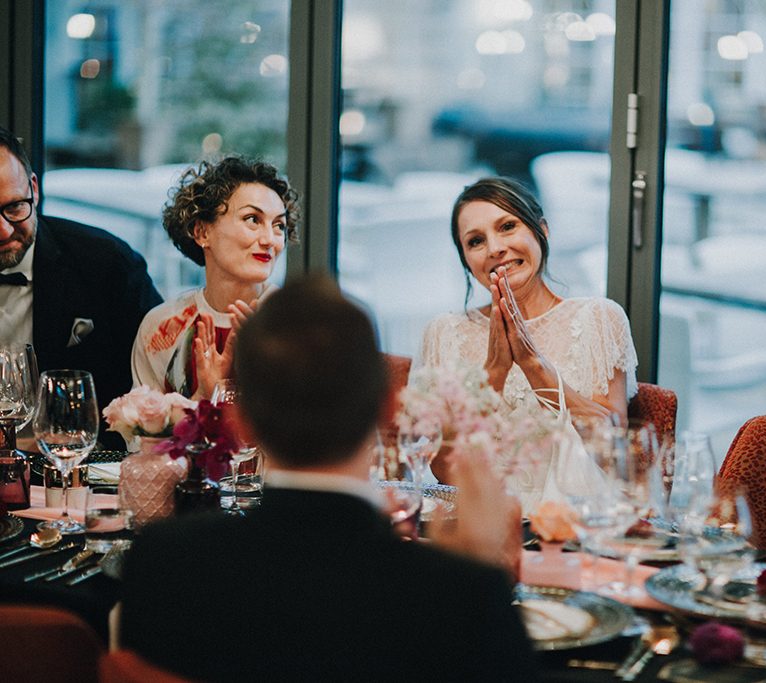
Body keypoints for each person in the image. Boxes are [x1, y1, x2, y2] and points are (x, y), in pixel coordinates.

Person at [120, 275, 537, 682]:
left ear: (240, 423)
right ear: (388, 408)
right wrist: (478, 573)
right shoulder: (459, 595)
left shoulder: (163, 563)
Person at [418, 177, 639, 480]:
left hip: (574, 513)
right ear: (467, 261)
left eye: (508, 226)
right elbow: (444, 472)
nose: (495, 248)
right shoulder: (444, 332)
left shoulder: (599, 318)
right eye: (476, 241)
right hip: (480, 514)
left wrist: (533, 363)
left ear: (542, 231)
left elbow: (612, 455)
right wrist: (494, 371)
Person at [0, 126, 161, 440]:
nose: (4, 232)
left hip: (77, 465)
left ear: (34, 188)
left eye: (15, 207)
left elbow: (153, 380)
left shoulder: (106, 263)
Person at [130, 156, 299, 399]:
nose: (270, 240)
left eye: (279, 226)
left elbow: (318, 429)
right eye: (253, 219)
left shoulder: (299, 324)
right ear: (201, 232)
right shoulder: (160, 328)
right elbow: (142, 433)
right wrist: (204, 397)